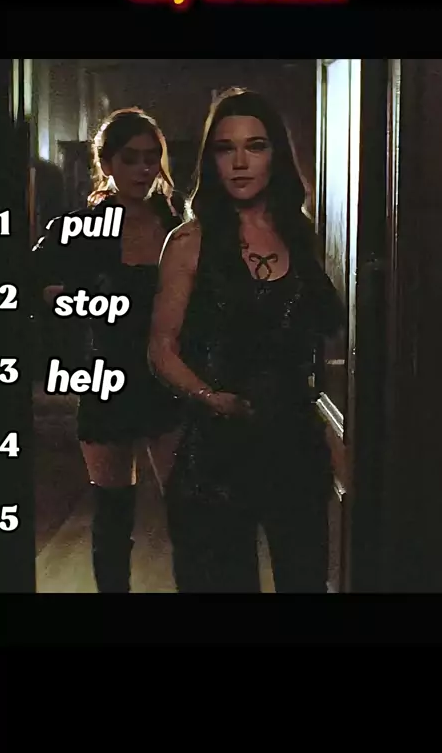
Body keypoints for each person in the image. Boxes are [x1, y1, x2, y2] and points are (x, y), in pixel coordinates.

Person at [148, 87, 345, 593]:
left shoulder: (300, 234)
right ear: (210, 160)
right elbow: (161, 348)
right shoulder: (189, 241)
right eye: (225, 148)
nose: (239, 162)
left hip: (294, 447)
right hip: (216, 452)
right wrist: (211, 397)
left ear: (275, 155)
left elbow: (329, 332)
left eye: (255, 146)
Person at [32, 107, 184, 592]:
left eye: (151, 158)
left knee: (188, 508)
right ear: (107, 162)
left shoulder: (175, 221)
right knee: (113, 514)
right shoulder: (82, 226)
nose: (143, 169)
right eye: (131, 158)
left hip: (167, 376)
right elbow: (30, 279)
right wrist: (66, 302)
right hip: (108, 376)